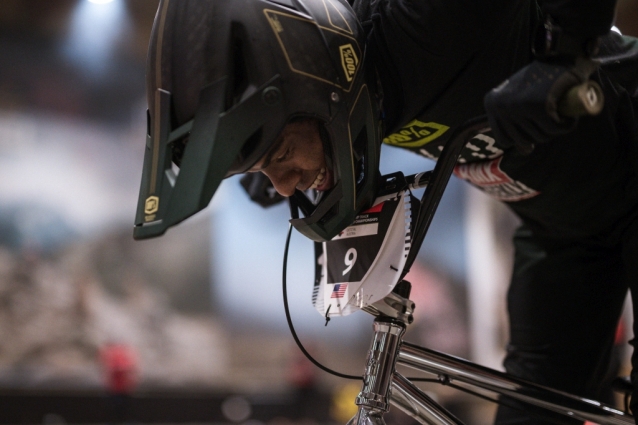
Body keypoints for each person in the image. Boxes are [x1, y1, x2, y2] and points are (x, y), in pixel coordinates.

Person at [132, 0, 638, 423]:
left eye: (282, 156)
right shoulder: (353, 101)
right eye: (264, 170)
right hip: (563, 235)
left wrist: (565, 52)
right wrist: (279, 165)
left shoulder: (424, 22)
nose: (286, 186)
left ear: (315, 91)